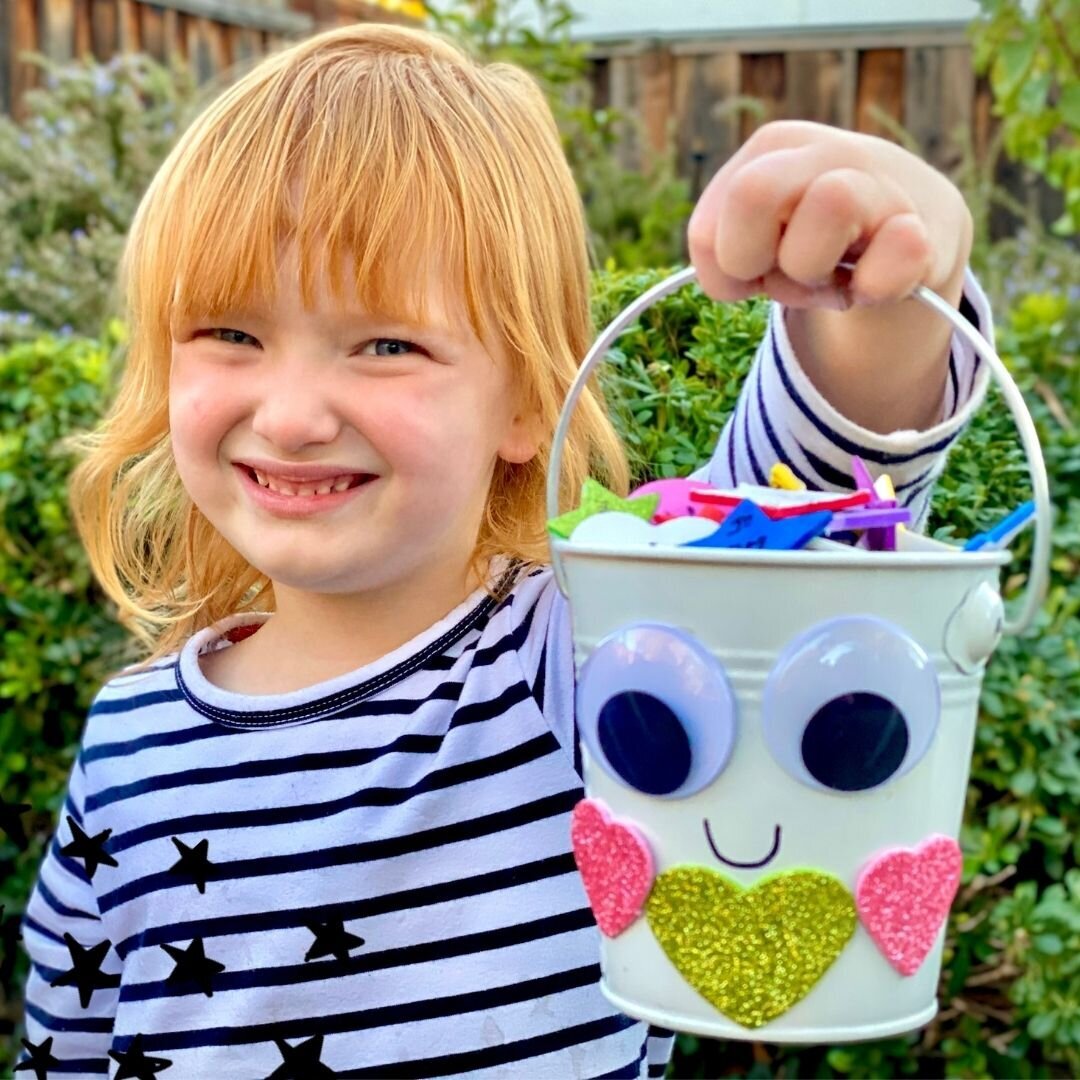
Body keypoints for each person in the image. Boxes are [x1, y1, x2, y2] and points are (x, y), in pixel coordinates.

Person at [18, 21, 992, 1079]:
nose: (291, 415)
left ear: (528, 402)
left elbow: (783, 526)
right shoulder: (129, 741)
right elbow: (67, 1044)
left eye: (386, 344)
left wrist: (879, 302)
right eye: (230, 334)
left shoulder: (576, 665)